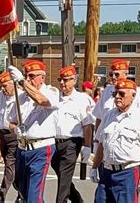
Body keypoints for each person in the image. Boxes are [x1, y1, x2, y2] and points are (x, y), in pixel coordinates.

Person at [90, 79, 140, 202]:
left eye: (122, 94)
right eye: (115, 94)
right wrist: (94, 167)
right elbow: (102, 144)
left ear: (133, 96)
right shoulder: (108, 116)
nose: (117, 97)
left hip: (127, 173)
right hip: (106, 171)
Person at [8, 60, 59, 202]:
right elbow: (11, 122)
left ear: (42, 77)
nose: (29, 79)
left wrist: (22, 82)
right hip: (23, 147)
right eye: (26, 75)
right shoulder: (21, 98)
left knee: (34, 193)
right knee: (22, 190)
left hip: (41, 147)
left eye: (32, 76)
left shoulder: (51, 91)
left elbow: (42, 100)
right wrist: (16, 129)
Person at [52, 66, 94, 203]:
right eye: (61, 80)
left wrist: (87, 146)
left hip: (72, 142)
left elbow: (87, 125)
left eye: (66, 80)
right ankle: (77, 199)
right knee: (63, 175)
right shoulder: (55, 97)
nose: (63, 83)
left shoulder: (81, 99)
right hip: (54, 142)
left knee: (64, 175)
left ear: (74, 80)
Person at [0, 71, 21, 203]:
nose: (3, 88)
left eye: (5, 85)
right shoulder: (0, 96)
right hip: (3, 135)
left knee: (9, 165)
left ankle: (0, 196)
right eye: (1, 85)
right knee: (12, 167)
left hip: (15, 136)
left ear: (13, 84)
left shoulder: (21, 97)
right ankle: (21, 193)